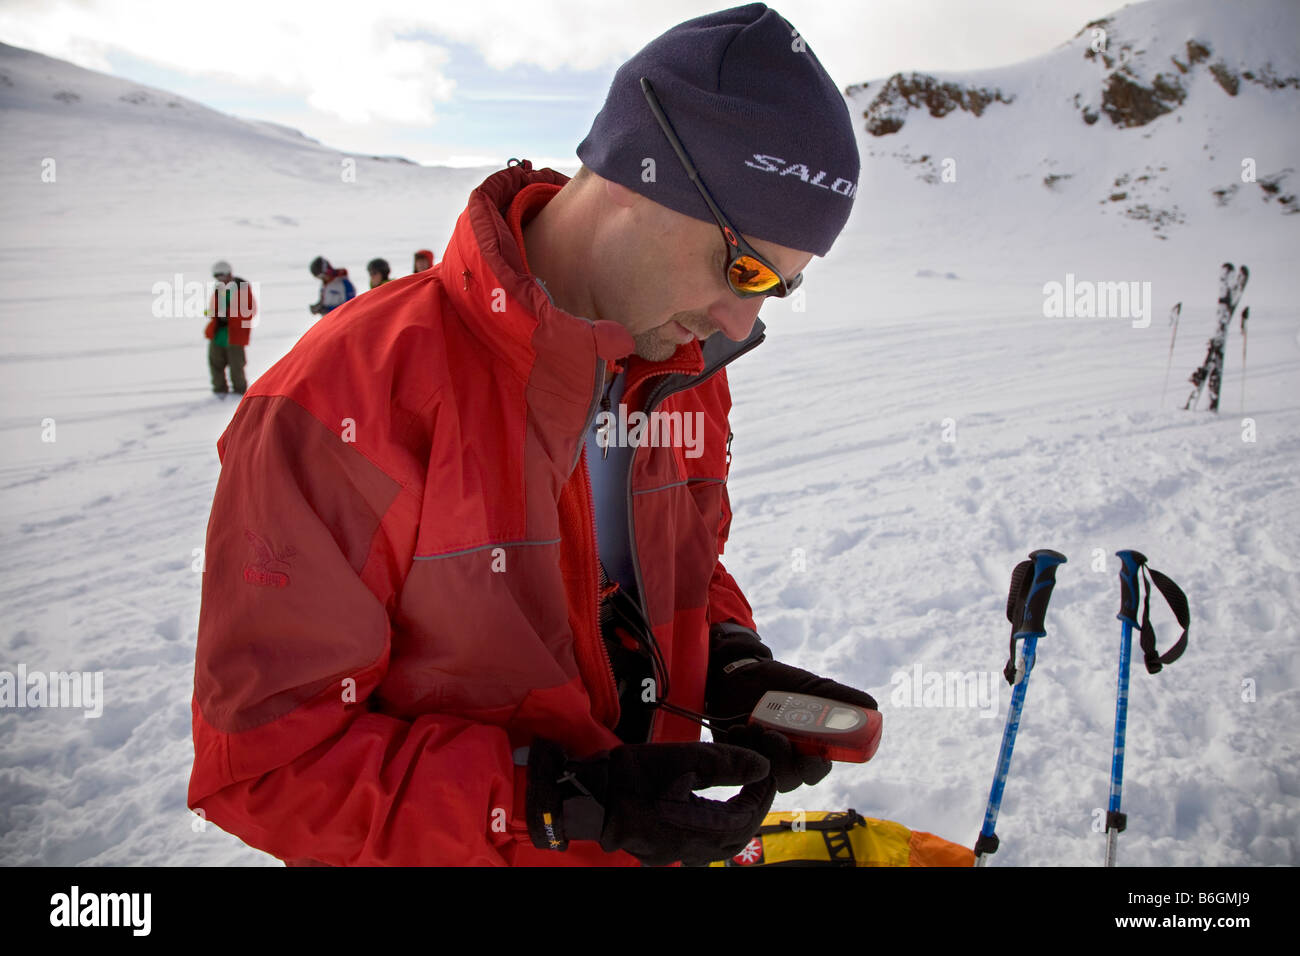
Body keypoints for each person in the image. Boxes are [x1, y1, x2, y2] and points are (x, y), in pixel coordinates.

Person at [188, 3, 872, 867]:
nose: (741, 317)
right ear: (637, 177)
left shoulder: (683, 367)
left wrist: (731, 663)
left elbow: (676, 564)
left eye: (779, 287)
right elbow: (266, 765)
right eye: (741, 268)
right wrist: (548, 805)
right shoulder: (340, 400)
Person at [204, 260, 257, 396]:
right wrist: (212, 313)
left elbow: (249, 311)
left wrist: (228, 314)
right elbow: (214, 308)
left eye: (222, 276)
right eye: (217, 277)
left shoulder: (242, 288)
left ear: (229, 274)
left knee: (236, 368)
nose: (220, 280)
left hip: (235, 334)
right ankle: (219, 393)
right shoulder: (218, 289)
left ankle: (240, 395)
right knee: (215, 364)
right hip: (218, 334)